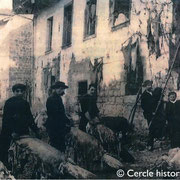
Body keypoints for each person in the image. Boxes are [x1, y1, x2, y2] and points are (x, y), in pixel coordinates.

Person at [0, 83, 39, 167]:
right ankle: (7, 167)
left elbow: (29, 118)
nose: (19, 93)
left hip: (22, 131)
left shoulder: (25, 103)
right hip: (10, 131)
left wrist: (36, 130)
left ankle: (21, 165)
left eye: (21, 91)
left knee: (24, 151)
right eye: (17, 91)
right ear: (14, 92)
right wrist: (12, 132)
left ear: (24, 92)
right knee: (5, 150)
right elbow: (6, 120)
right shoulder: (9, 103)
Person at [46, 81, 71, 152]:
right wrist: (65, 121)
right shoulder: (52, 99)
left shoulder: (58, 98)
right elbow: (56, 114)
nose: (61, 90)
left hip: (58, 125)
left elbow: (61, 113)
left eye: (62, 88)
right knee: (56, 146)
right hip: (54, 126)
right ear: (55, 89)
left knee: (59, 145)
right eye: (58, 88)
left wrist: (67, 120)